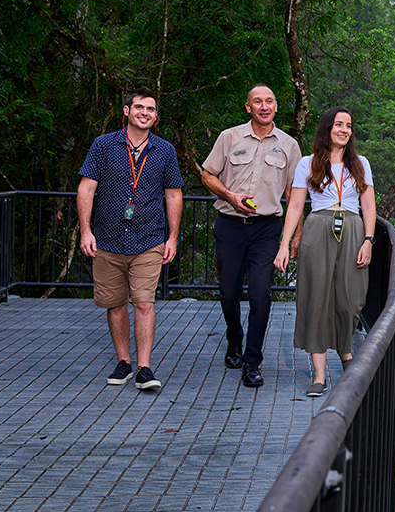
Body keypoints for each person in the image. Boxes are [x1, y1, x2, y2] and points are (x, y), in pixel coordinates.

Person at [77, 88, 184, 391]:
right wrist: (86, 231)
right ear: (126, 111)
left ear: (156, 116)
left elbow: (173, 195)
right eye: (139, 107)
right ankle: (123, 361)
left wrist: (172, 237)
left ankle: (144, 368)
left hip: (148, 239)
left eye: (150, 109)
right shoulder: (103, 146)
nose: (144, 113)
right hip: (108, 239)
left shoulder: (165, 151)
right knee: (115, 303)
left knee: (144, 303)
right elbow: (86, 189)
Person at [200, 84, 302, 387]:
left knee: (261, 294)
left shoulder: (289, 145)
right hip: (230, 225)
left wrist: (294, 235)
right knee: (228, 292)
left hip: (267, 229)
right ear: (248, 107)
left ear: (276, 106)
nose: (264, 106)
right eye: (257, 101)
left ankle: (252, 360)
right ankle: (234, 337)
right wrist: (230, 196)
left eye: (269, 101)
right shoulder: (229, 137)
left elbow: (293, 194)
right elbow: (207, 175)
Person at [275, 107, 377, 397]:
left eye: (348, 125)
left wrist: (368, 240)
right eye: (338, 124)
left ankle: (346, 353)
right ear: (327, 129)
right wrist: (284, 245)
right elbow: (295, 206)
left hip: (354, 229)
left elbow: (368, 205)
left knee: (350, 298)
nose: (344, 129)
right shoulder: (308, 163)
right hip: (318, 228)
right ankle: (319, 375)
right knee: (315, 297)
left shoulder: (361, 163)